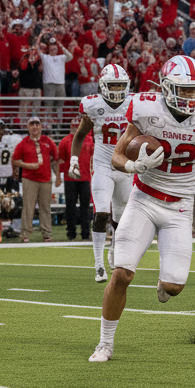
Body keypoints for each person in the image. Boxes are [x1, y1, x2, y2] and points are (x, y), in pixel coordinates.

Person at [88, 56, 195, 362]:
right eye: (184, 90)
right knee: (123, 274)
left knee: (174, 287)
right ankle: (105, 343)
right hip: (143, 200)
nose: (191, 98)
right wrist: (133, 165)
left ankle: (164, 282)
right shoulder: (146, 109)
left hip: (179, 208)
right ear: (166, 88)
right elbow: (116, 155)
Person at [71, 63, 133, 279]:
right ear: (103, 86)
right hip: (103, 166)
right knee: (101, 213)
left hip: (125, 167)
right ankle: (98, 264)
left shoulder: (134, 104)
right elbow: (79, 135)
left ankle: (115, 249)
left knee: (122, 218)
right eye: (113, 86)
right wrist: (73, 160)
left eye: (120, 86)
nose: (117, 91)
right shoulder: (92, 105)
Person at [13, 116, 60, 243]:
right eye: (32, 124)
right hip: (30, 179)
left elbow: (55, 160)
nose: (34, 127)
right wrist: (28, 166)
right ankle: (25, 233)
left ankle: (47, 233)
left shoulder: (48, 142)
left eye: (37, 124)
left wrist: (58, 176)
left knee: (45, 207)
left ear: (40, 127)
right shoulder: (23, 143)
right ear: (28, 127)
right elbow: (15, 160)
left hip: (45, 178)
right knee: (28, 207)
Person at [59, 116, 92, 245]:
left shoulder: (89, 140)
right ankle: (71, 233)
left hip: (85, 178)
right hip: (70, 178)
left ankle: (85, 232)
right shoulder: (65, 141)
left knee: (85, 207)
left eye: (76, 126)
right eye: (73, 126)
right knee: (70, 207)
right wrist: (60, 175)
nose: (75, 129)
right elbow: (61, 159)